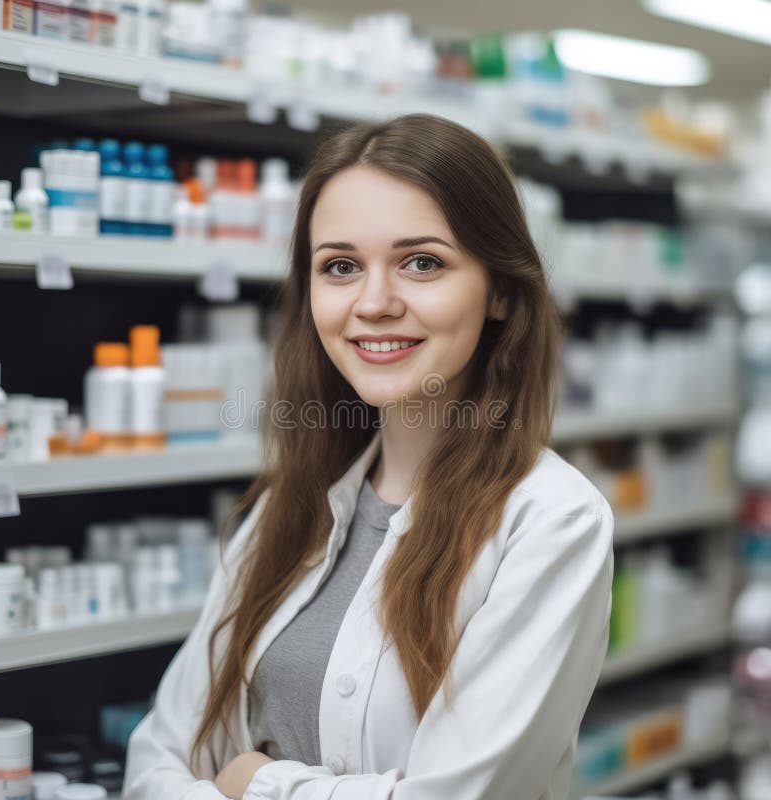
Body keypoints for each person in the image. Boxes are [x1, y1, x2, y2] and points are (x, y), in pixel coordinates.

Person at [123, 113, 614, 800]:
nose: (374, 303)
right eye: (341, 266)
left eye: (422, 262)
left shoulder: (554, 523)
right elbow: (156, 759)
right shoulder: (284, 512)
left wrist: (260, 783)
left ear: (501, 290)